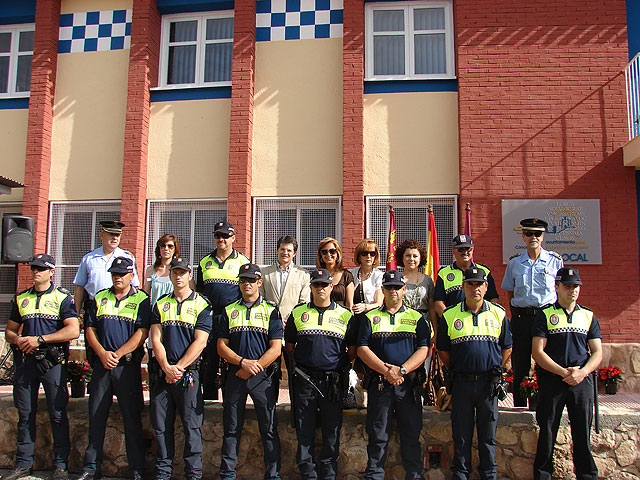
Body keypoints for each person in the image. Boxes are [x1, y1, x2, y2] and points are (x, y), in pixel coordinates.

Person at [5, 254, 80, 480]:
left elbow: (73, 331)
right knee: (25, 414)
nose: (35, 272)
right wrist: (18, 340)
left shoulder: (62, 297)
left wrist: (41, 339)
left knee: (57, 414)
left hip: (52, 362)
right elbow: (10, 330)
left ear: (51, 272)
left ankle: (60, 466)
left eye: (41, 268)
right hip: (26, 362)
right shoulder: (22, 298)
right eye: (33, 268)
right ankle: (23, 464)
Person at [78, 257, 151, 480]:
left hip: (126, 368)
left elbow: (142, 333)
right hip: (102, 366)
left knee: (132, 419)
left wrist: (118, 354)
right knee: (96, 416)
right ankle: (91, 469)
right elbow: (89, 329)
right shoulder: (100, 297)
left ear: (132, 275)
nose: (117, 277)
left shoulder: (141, 299)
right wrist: (102, 353)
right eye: (114, 274)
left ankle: (137, 469)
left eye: (122, 274)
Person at [437, 267, 512, 480]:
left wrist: (498, 366)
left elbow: (507, 346)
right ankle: (461, 474)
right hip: (462, 383)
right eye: (470, 284)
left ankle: (489, 474)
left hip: (489, 383)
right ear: (463, 287)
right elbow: (443, 350)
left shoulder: (498, 313)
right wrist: (459, 368)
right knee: (461, 434)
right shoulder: (450, 315)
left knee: (488, 435)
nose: (475, 288)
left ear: (486, 287)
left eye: (479, 284)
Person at [357, 270, 431, 480]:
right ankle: (374, 476)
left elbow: (424, 349)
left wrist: (403, 370)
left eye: (397, 287)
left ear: (404, 289)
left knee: (411, 435)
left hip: (408, 386)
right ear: (383, 290)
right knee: (378, 436)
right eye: (389, 287)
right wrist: (387, 371)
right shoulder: (370, 317)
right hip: (380, 386)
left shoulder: (416, 318)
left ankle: (414, 476)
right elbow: (362, 349)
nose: (393, 291)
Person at [284, 268, 356, 480]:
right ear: (311, 287)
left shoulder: (344, 315)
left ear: (331, 287)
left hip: (332, 382)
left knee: (331, 430)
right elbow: (289, 347)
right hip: (305, 380)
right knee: (304, 429)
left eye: (324, 284)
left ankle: (328, 474)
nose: (320, 288)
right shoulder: (298, 313)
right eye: (316, 284)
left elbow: (351, 351)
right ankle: (307, 473)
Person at [532, 267, 601, 480]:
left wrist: (582, 373)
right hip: (553, 380)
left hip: (581, 382)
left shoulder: (588, 316)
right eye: (567, 286)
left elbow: (597, 353)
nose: (572, 290)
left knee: (582, 433)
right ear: (557, 287)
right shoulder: (545, 314)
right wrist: (563, 372)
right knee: (548, 432)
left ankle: (586, 475)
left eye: (575, 286)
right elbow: (538, 352)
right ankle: (543, 475)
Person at [217, 264, 283, 480]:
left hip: (262, 377)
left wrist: (255, 367)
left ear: (259, 282)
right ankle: (227, 474)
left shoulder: (271, 310)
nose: (247, 284)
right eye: (243, 280)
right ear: (239, 283)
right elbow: (221, 346)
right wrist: (242, 363)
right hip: (235, 375)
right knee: (231, 428)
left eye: (251, 280)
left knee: (269, 428)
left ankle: (272, 475)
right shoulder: (229, 310)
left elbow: (276, 348)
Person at [150, 257, 213, 480]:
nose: (178, 276)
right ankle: (162, 474)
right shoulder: (160, 304)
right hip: (162, 374)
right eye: (174, 272)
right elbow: (155, 339)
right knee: (161, 428)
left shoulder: (202, 304)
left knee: (191, 428)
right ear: (170, 275)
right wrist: (166, 367)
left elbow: (201, 342)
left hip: (188, 376)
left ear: (189, 276)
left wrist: (177, 368)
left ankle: (193, 475)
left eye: (182, 272)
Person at [501, 218, 564, 407]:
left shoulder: (555, 261)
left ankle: (547, 402)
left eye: (537, 234)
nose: (533, 237)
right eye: (529, 234)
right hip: (522, 318)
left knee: (547, 360)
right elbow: (510, 291)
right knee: (520, 362)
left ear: (543, 236)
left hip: (546, 317)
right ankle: (520, 405)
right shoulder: (515, 263)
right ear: (523, 236)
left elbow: (561, 289)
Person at [196, 220, 250, 399]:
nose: (222, 239)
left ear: (233, 238)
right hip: (210, 318)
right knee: (209, 359)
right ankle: (209, 399)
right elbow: (200, 292)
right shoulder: (204, 262)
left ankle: (231, 398)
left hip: (232, 317)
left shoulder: (243, 261)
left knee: (230, 359)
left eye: (226, 236)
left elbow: (247, 292)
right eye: (218, 235)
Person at [73, 220, 140, 315]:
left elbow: (135, 287)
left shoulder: (127, 258)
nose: (114, 238)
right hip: (94, 307)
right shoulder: (89, 259)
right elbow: (80, 287)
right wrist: (76, 314)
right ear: (102, 235)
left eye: (117, 235)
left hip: (120, 308)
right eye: (111, 234)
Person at [434, 234, 498, 318]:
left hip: (481, 320)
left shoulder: (484, 271)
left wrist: (490, 317)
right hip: (454, 321)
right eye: (460, 249)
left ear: (472, 249)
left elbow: (493, 298)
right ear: (453, 251)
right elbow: (438, 303)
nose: (465, 252)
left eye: (468, 249)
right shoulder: (443, 273)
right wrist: (449, 320)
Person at [259, 235, 311, 325]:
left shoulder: (303, 275)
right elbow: (260, 300)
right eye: (282, 249)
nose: (285, 253)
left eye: (289, 250)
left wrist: (291, 321)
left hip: (293, 324)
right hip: (268, 323)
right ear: (277, 250)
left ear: (294, 253)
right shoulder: (264, 273)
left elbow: (304, 302)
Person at [396, 239, 435, 322]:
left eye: (415, 256)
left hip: (423, 323)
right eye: (408, 255)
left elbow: (432, 308)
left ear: (420, 258)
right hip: (401, 323)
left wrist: (435, 330)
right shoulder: (397, 279)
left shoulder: (427, 280)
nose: (411, 259)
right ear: (402, 257)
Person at [316, 237, 354, 310]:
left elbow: (350, 305)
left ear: (337, 254)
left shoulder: (346, 276)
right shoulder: (317, 276)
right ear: (320, 255)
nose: (328, 254)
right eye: (324, 252)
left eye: (332, 251)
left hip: (341, 317)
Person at [144, 234, 181, 306]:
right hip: (155, 313)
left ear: (175, 249)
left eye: (170, 246)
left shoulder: (180, 270)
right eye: (163, 246)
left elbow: (191, 292)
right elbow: (145, 295)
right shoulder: (150, 270)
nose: (166, 249)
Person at [350, 238, 383, 315]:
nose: (369, 256)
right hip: (352, 315)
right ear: (359, 256)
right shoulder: (350, 273)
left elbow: (378, 303)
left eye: (372, 254)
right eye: (365, 253)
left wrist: (365, 307)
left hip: (371, 316)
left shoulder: (379, 275)